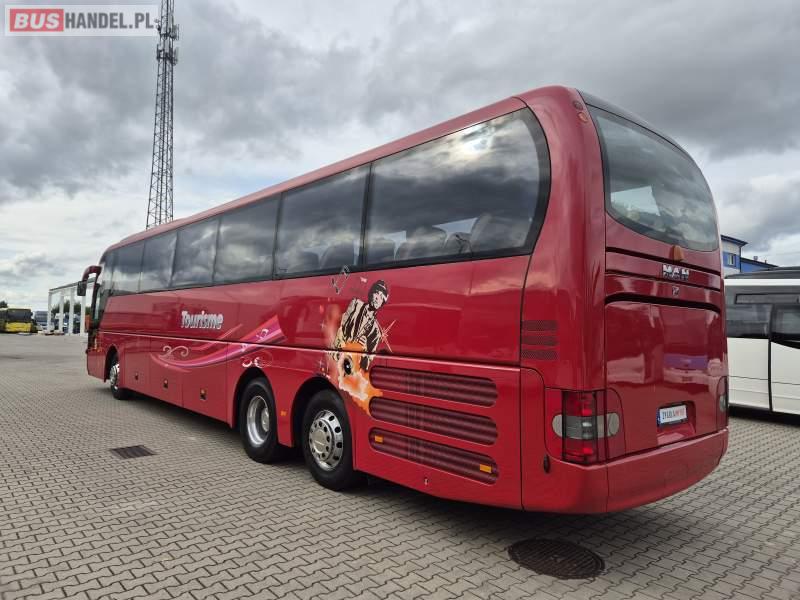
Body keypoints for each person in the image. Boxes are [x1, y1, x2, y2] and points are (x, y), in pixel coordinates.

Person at [334, 280, 389, 369]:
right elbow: (339, 326)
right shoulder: (355, 304)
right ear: (371, 293)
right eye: (377, 293)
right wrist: (341, 349)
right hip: (338, 358)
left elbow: (367, 365)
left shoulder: (376, 332)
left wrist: (365, 350)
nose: (377, 298)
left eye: (381, 297)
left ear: (382, 303)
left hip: (353, 368)